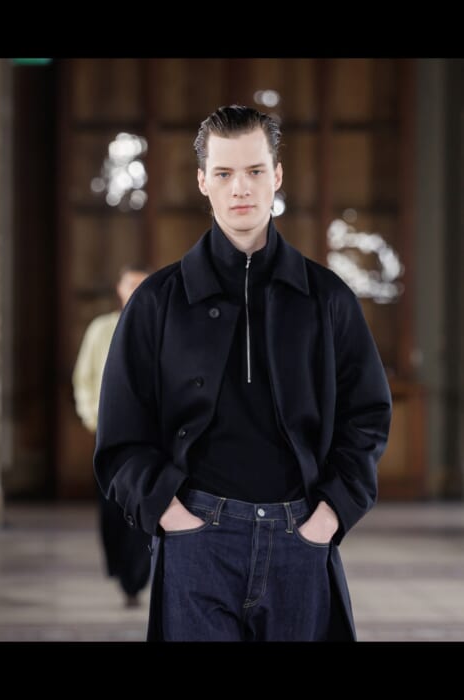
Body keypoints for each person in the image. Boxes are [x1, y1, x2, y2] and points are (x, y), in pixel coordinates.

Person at [94, 105, 392, 641]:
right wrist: (168, 512)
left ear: (277, 175)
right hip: (196, 539)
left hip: (300, 537)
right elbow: (120, 431)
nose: (241, 188)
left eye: (255, 171)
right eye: (225, 173)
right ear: (202, 181)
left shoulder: (327, 298)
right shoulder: (157, 302)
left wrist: (329, 515)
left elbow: (367, 415)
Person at [73, 265, 152, 608]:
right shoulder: (101, 329)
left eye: (142, 284)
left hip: (149, 435)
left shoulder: (160, 324)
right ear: (120, 288)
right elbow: (84, 377)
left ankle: (137, 576)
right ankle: (121, 569)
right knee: (112, 507)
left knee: (145, 501)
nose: (135, 290)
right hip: (108, 433)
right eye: (130, 284)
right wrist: (93, 417)